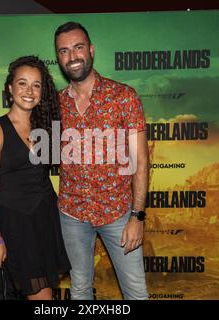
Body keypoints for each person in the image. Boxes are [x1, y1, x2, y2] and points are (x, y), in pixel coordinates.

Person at [54, 22, 150, 300]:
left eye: (78, 47)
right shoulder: (56, 104)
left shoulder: (123, 97)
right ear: (58, 58)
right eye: (64, 51)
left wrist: (137, 216)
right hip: (72, 215)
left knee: (136, 292)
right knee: (80, 289)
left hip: (118, 214)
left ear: (91, 50)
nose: (72, 57)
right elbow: (29, 141)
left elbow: (140, 162)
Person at [0, 55, 71, 300]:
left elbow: (43, 173)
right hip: (15, 224)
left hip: (45, 218)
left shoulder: (47, 127)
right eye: (22, 83)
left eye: (36, 85)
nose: (29, 91)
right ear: (10, 88)